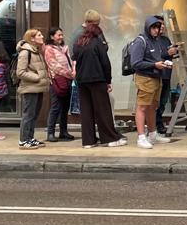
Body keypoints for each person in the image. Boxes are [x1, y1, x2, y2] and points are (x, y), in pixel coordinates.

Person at [74, 10, 125, 147]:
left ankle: (88, 141)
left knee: (86, 111)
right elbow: (105, 63)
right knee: (103, 110)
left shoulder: (78, 41)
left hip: (81, 79)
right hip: (97, 78)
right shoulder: (97, 42)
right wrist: (108, 81)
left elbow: (75, 58)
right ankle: (109, 139)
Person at [128, 15, 177, 150]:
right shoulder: (141, 41)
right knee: (142, 106)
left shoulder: (156, 41)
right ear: (148, 28)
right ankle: (141, 137)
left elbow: (158, 57)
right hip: (145, 78)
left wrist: (164, 63)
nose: (157, 30)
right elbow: (135, 63)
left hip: (157, 77)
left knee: (152, 107)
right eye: (154, 28)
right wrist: (154, 65)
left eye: (158, 27)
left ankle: (153, 134)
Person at [16, 29, 49, 148]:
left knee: (34, 114)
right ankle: (24, 140)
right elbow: (20, 72)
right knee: (28, 114)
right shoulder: (26, 52)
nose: (42, 36)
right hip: (30, 88)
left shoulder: (36, 51)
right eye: (39, 35)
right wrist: (37, 77)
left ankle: (30, 138)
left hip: (38, 87)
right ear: (32, 38)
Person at [43, 28, 74, 142]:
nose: (61, 37)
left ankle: (63, 131)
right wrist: (69, 73)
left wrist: (73, 71)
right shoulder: (49, 49)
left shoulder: (64, 48)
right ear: (52, 36)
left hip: (68, 80)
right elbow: (53, 65)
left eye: (62, 34)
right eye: (58, 35)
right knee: (55, 107)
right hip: (56, 81)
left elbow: (71, 61)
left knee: (65, 107)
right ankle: (50, 133)